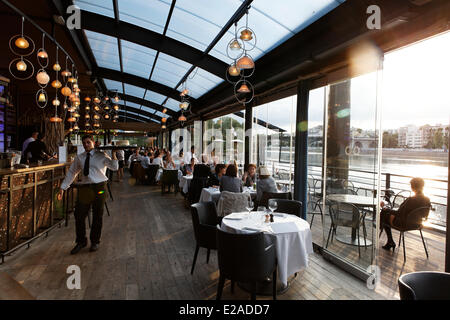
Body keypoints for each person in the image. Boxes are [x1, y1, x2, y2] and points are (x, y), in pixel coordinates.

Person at [57, 135, 118, 254]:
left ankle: (95, 241)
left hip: (99, 187)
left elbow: (114, 167)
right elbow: (72, 173)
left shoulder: (101, 155)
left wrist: (114, 154)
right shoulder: (80, 158)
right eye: (84, 143)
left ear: (93, 143)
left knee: (97, 215)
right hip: (85, 188)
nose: (86, 145)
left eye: (88, 142)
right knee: (79, 214)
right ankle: (81, 241)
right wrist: (63, 188)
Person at [380, 177, 431, 251]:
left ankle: (389, 240)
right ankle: (384, 231)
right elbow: (425, 215)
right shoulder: (427, 199)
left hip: (404, 224)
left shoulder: (411, 200)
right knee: (385, 214)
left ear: (412, 187)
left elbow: (398, 214)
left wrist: (385, 208)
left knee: (384, 213)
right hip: (417, 224)